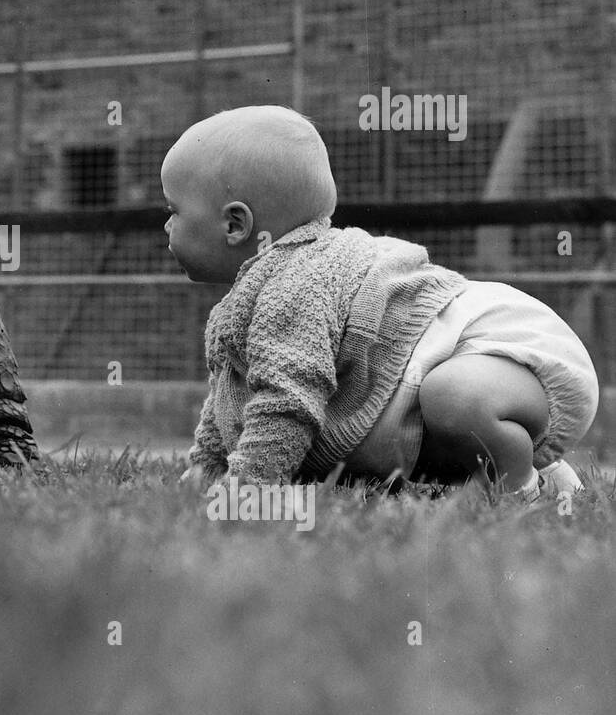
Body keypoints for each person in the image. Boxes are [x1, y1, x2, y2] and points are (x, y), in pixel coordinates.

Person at [162, 105, 598, 499]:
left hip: (503, 345)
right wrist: (207, 467)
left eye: (173, 210)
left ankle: (524, 489)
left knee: (453, 397)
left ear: (235, 223)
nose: (165, 225)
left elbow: (286, 402)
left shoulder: (298, 285)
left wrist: (248, 488)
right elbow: (231, 396)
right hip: (451, 375)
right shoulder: (258, 290)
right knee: (440, 407)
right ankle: (522, 463)